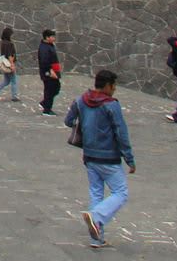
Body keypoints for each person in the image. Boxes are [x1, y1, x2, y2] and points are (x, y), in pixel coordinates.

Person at [64, 68, 136, 249]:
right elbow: (121, 132)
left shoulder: (81, 100)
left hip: (89, 155)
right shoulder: (111, 105)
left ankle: (97, 238)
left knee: (96, 192)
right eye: (114, 86)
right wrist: (129, 158)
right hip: (108, 156)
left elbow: (68, 120)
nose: (115, 90)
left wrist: (85, 127)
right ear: (107, 85)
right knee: (120, 192)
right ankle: (96, 217)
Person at [0, 27, 20, 102]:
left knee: (6, 81)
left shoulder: (3, 43)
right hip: (8, 64)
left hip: (4, 64)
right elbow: (10, 55)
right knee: (13, 80)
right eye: (11, 34)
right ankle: (14, 96)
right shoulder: (9, 44)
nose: (12, 36)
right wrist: (12, 65)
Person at [38, 29, 62, 115]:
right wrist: (50, 71)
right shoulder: (44, 48)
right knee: (50, 89)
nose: (54, 38)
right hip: (48, 72)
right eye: (52, 37)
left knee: (56, 88)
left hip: (54, 70)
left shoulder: (50, 45)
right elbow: (45, 61)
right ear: (47, 37)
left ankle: (45, 103)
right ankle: (47, 110)